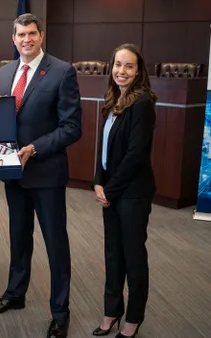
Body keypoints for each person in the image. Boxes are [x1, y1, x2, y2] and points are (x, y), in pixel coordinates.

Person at [0, 13, 82, 338]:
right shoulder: (3, 73)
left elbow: (72, 128)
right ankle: (15, 294)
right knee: (19, 239)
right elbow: (1, 119)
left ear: (41, 36)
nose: (26, 39)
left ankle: (60, 312)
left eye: (32, 34)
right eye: (21, 34)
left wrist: (34, 149)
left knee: (55, 244)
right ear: (13, 38)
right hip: (13, 174)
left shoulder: (62, 71)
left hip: (47, 174)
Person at [91, 43, 156, 338]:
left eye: (129, 66)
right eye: (118, 64)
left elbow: (135, 155)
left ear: (138, 71)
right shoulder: (112, 100)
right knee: (113, 254)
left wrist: (110, 190)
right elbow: (103, 147)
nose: (122, 71)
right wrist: (97, 180)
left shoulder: (142, 104)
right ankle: (112, 310)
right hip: (113, 191)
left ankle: (134, 318)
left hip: (132, 194)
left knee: (133, 257)